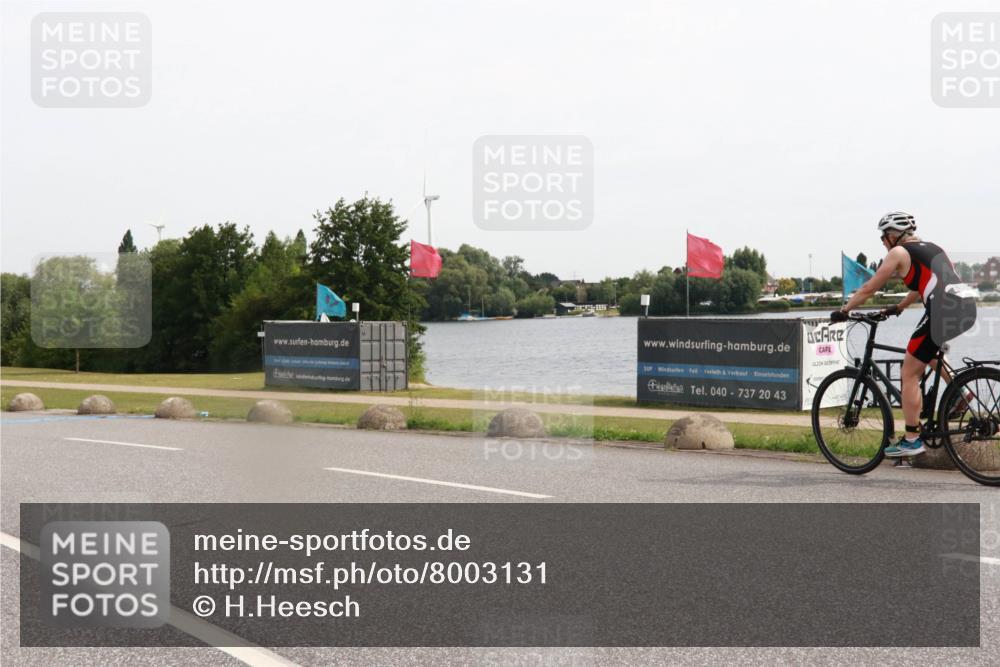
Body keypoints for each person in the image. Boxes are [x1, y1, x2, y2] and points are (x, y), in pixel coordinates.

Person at [831, 212, 976, 457]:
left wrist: (845, 310)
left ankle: (912, 439)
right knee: (927, 352)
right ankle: (961, 391)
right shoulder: (932, 247)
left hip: (942, 310)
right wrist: (898, 307)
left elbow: (870, 287)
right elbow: (928, 284)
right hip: (965, 308)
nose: (883, 242)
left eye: (883, 237)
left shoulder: (898, 253)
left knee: (908, 371)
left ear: (892, 235)